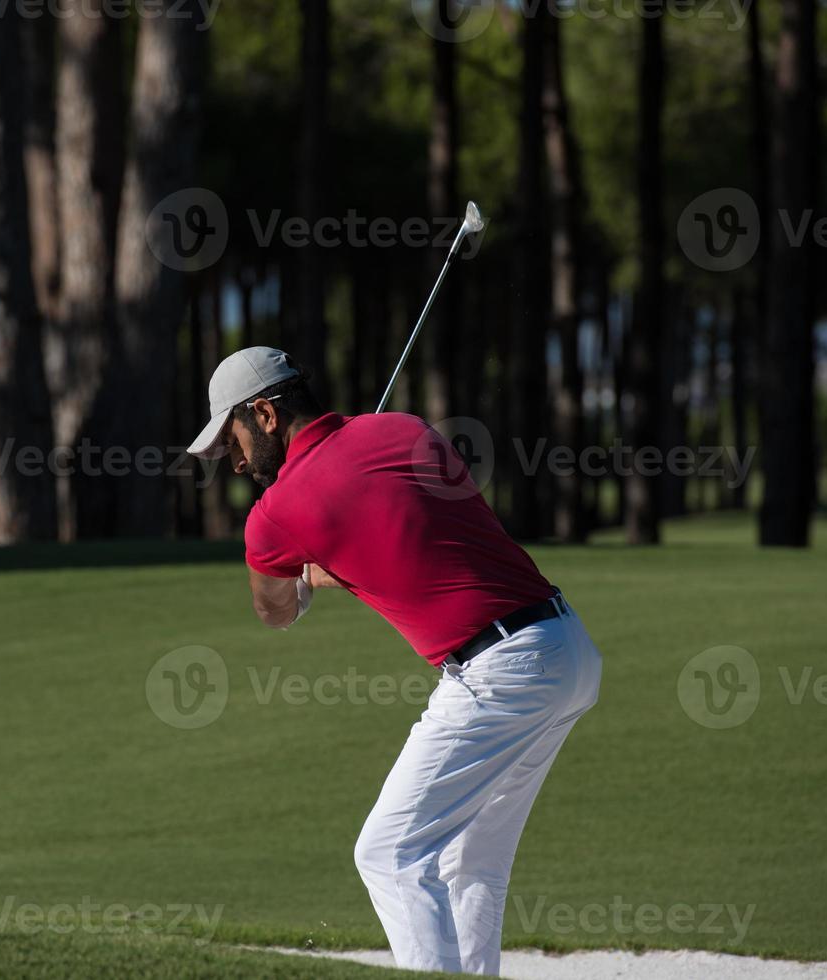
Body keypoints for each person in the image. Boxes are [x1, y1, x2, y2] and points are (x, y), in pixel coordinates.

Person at [187, 346, 603, 976]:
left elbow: (274, 610)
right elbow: (426, 524)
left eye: (233, 440)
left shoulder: (273, 516)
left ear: (266, 415)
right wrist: (346, 544)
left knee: (389, 854)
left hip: (500, 671)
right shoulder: (403, 429)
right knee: (472, 860)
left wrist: (312, 576)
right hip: (565, 648)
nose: (235, 461)